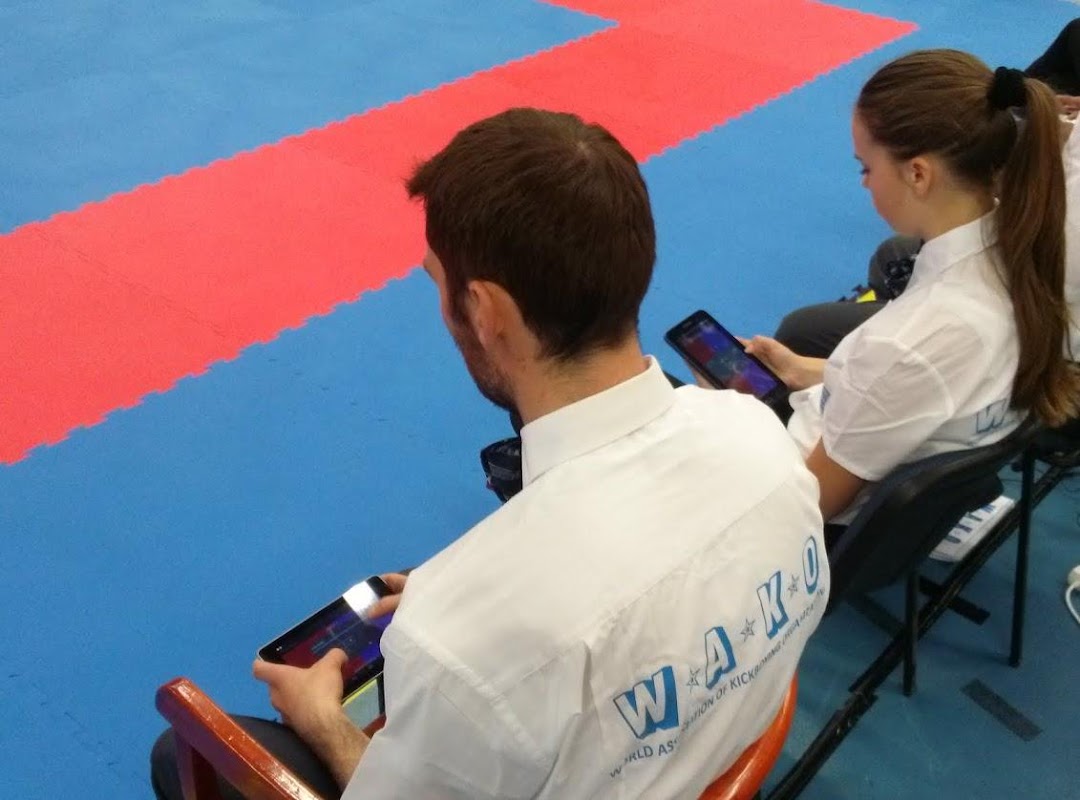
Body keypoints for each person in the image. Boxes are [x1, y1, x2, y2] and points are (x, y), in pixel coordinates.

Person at [151, 108, 830, 799]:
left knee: (177, 753)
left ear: (485, 312)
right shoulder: (764, 439)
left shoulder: (463, 647)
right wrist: (465, 597)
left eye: (436, 280)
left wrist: (327, 723)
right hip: (715, 760)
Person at [732, 50, 1080, 530]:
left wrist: (728, 420)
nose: (865, 184)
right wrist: (805, 371)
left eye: (866, 168)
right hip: (873, 439)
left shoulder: (908, 342)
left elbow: (803, 511)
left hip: (796, 500)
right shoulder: (1023, 255)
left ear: (918, 174)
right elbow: (908, 398)